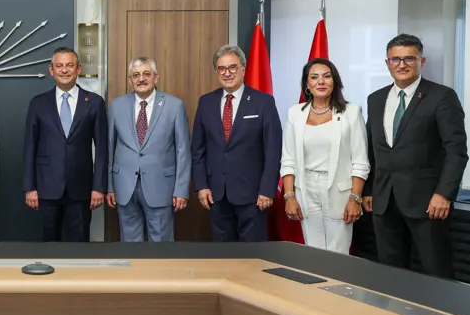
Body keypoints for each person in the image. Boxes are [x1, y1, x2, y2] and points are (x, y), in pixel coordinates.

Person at [364, 34, 468, 278]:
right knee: (391, 272)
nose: (402, 64)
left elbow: (456, 151)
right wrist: (368, 189)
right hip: (384, 201)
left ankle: (439, 307)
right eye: (395, 59)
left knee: (436, 272)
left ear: (421, 61)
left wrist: (444, 194)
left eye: (409, 58)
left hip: (428, 203)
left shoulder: (442, 96)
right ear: (387, 63)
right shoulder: (376, 99)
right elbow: (371, 148)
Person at [191, 45, 282, 242]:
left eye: (232, 67)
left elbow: (273, 150)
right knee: (223, 253)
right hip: (216, 194)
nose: (227, 73)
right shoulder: (206, 102)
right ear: (216, 71)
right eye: (221, 68)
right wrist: (201, 185)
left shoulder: (263, 102)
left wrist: (267, 189)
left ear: (243, 69)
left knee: (253, 252)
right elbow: (198, 149)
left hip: (253, 195)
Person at [280, 59, 369, 254]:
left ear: (335, 82)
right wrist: (289, 196)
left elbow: (361, 162)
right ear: (307, 84)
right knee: (313, 251)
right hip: (305, 190)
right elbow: (288, 160)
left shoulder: (351, 112)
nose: (321, 81)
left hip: (341, 192)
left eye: (326, 76)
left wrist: (355, 198)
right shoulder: (295, 113)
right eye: (314, 77)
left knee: (338, 252)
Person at [23, 47, 108, 241]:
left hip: (81, 189)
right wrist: (29, 187)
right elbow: (29, 147)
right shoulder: (38, 103)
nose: (64, 70)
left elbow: (102, 149)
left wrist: (99, 187)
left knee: (79, 247)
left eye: (69, 65)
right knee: (48, 246)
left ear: (78, 69)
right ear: (51, 70)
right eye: (59, 66)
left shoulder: (94, 102)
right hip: (46, 189)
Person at [106, 57, 191, 242]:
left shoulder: (174, 106)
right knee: (129, 245)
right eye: (136, 75)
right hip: (124, 187)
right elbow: (109, 148)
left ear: (156, 77)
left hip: (161, 187)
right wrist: (110, 186)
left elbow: (183, 150)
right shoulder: (117, 106)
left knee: (161, 245)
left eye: (146, 74)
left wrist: (181, 189)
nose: (141, 79)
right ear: (130, 80)